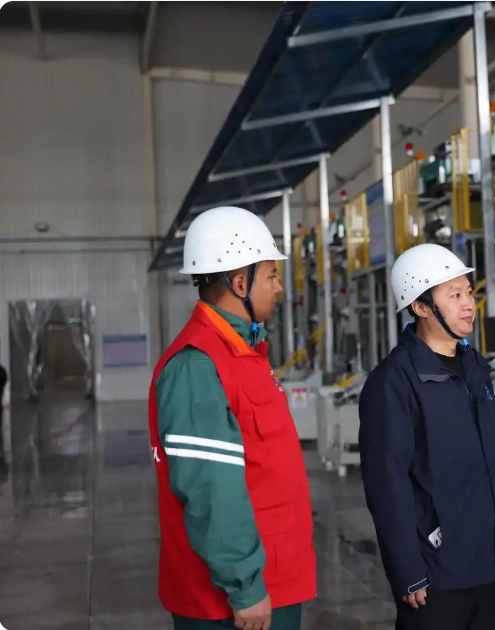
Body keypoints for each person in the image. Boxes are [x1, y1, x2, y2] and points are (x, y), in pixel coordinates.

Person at [358, 243, 495, 630]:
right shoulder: (393, 382)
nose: (469, 305)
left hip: (486, 562)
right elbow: (386, 484)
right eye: (455, 295)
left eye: (469, 292)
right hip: (435, 571)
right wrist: (407, 569)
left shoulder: (474, 369)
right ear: (420, 306)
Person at [148, 206, 316, 630]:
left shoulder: (243, 354)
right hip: (233, 602)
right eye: (272, 276)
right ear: (240, 283)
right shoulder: (199, 365)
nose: (279, 287)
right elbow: (209, 488)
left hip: (272, 579)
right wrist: (246, 587)